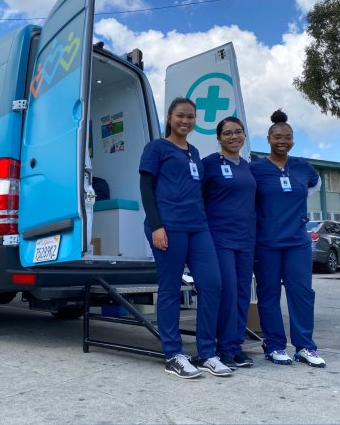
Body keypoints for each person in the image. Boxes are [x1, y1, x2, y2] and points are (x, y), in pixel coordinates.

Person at [139, 97, 231, 379]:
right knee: (169, 290)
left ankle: (206, 353)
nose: (185, 121)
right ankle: (173, 354)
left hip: (198, 227)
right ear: (169, 117)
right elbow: (146, 186)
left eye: (191, 117)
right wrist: (156, 225)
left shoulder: (194, 151)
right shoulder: (157, 148)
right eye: (180, 116)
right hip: (168, 226)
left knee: (213, 284)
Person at [249, 109, 326, 367]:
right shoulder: (256, 168)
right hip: (267, 242)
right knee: (269, 294)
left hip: (297, 242)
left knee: (301, 293)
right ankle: (274, 346)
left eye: (288, 136)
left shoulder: (303, 167)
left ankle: (305, 347)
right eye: (278, 136)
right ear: (269, 138)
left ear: (293, 139)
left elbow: (315, 186)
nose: (283, 140)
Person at [201, 116, 256, 371]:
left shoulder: (247, 166)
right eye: (227, 133)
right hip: (220, 237)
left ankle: (236, 347)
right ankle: (224, 348)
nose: (234, 137)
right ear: (219, 137)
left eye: (238, 132)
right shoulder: (209, 164)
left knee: (244, 293)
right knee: (229, 291)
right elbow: (195, 198)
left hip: (246, 239)